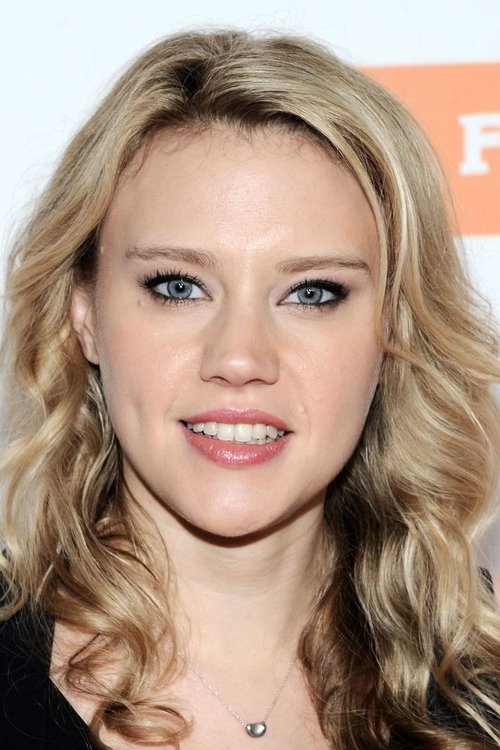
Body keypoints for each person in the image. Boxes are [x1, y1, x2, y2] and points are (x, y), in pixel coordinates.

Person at [0, 29, 499, 750]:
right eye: (178, 286)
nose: (239, 358)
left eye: (312, 292)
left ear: (394, 330)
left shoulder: (480, 697)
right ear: (84, 315)